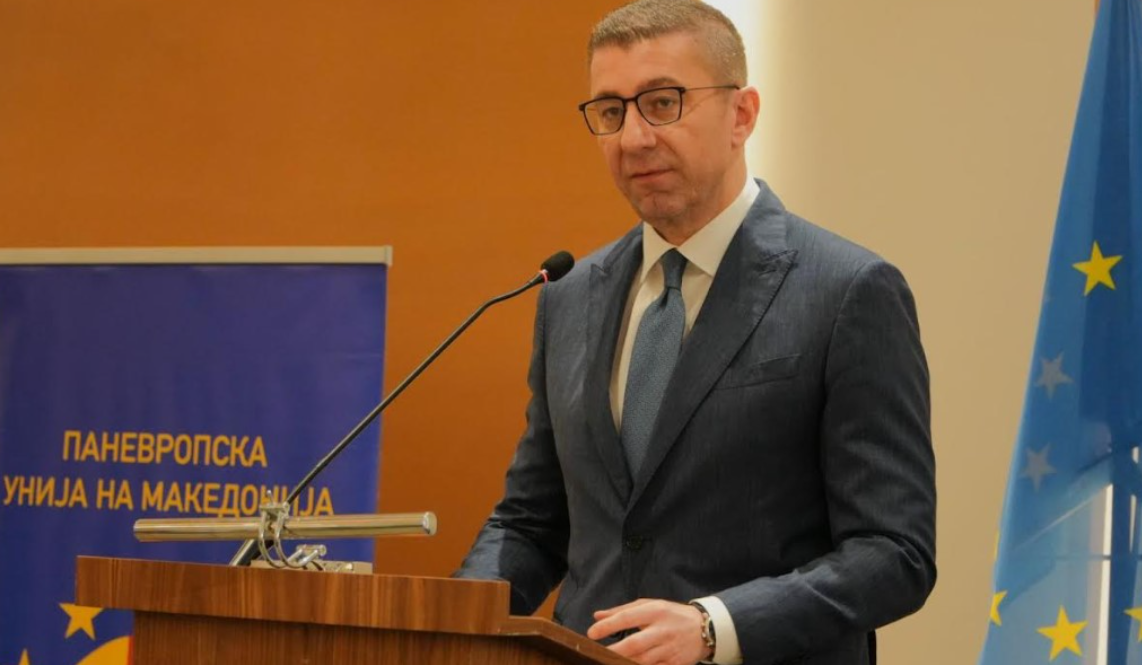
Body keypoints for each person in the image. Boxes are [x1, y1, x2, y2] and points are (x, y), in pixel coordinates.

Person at [456, 1, 936, 663]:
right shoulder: (568, 296)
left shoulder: (847, 291)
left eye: (662, 103)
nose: (633, 138)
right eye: (611, 111)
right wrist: (446, 621)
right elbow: (534, 523)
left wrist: (715, 626)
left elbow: (894, 552)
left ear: (742, 114)